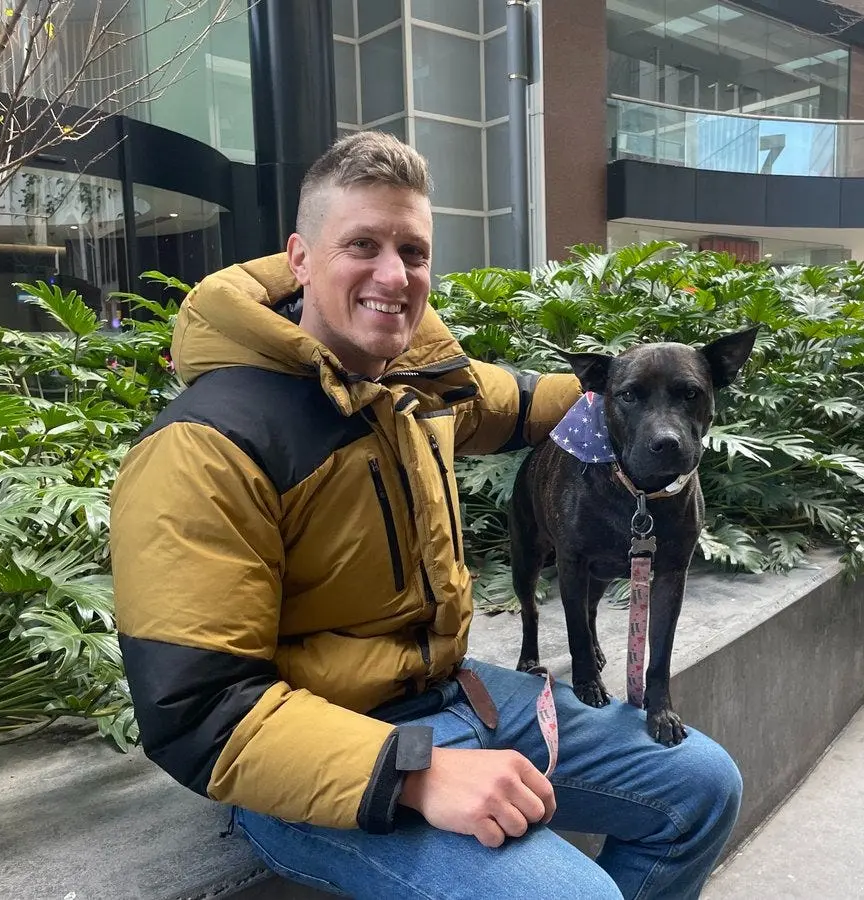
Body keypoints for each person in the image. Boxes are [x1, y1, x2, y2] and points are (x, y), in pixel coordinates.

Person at [109, 130, 743, 900]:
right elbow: (195, 710)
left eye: (413, 252)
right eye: (363, 245)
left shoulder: (416, 386)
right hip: (324, 757)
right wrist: (416, 773)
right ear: (299, 259)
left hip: (455, 693)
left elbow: (523, 402)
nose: (393, 274)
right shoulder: (204, 446)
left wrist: (640, 401)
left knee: (705, 786)